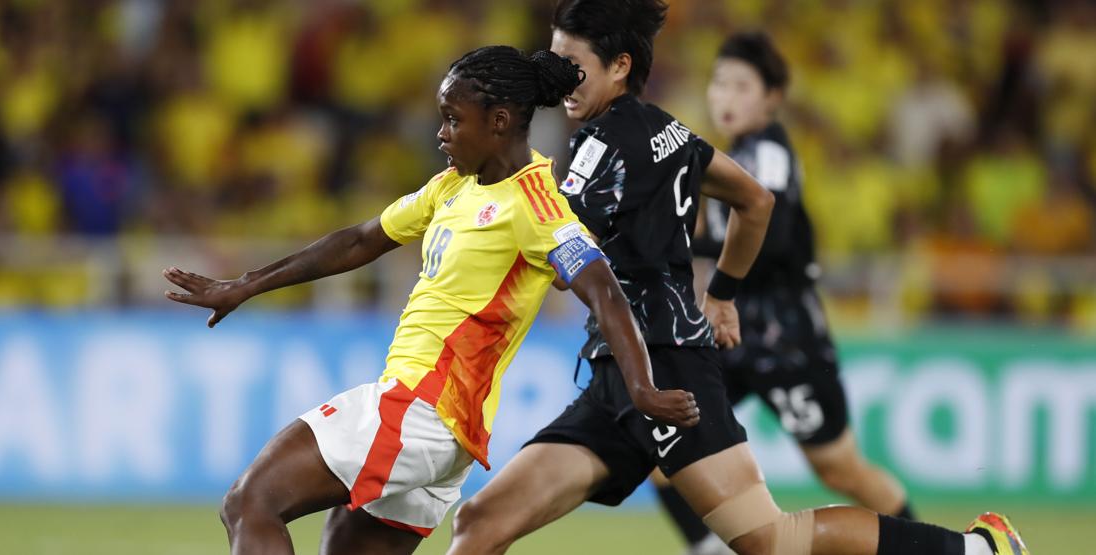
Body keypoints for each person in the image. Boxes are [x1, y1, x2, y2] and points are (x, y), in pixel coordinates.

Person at [445, 2, 1030, 555]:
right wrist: (721, 295)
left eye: (572, 64)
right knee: (482, 520)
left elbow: (554, 260)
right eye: (552, 60)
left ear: (620, 66)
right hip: (618, 378)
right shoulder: (667, 131)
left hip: (669, 371)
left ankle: (976, 548)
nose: (559, 77)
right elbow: (754, 200)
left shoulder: (599, 151)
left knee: (771, 540)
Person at [161, 45, 700, 555]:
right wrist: (247, 284)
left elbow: (602, 288)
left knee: (249, 501)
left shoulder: (535, 205)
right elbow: (360, 239)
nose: (441, 134)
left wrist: (642, 388)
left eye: (452, 119)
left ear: (499, 121)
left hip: (421, 407)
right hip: (444, 434)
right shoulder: (453, 186)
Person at [650, 31, 917, 555]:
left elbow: (768, 234)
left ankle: (937, 546)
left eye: (741, 85)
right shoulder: (737, 156)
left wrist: (676, 238)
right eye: (719, 83)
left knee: (839, 469)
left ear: (772, 97)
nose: (724, 96)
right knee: (664, 444)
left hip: (787, 339)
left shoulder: (766, 152)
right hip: (733, 333)